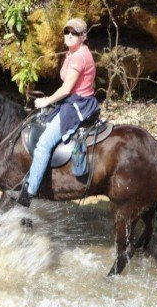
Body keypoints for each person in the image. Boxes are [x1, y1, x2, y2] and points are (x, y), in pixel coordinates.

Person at [7, 17, 99, 207]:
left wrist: (46, 101)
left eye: (75, 33)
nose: (70, 35)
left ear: (83, 36)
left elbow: (66, 90)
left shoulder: (80, 56)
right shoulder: (72, 53)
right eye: (67, 32)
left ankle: (29, 193)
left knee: (43, 144)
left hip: (77, 106)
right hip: (74, 100)